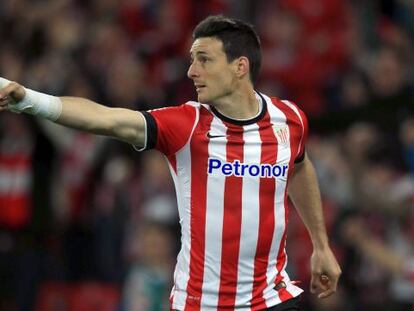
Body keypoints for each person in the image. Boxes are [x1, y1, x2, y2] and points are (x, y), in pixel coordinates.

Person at [0, 15, 341, 311]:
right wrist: (29, 100)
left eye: (204, 59)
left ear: (240, 66)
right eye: (192, 60)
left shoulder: (289, 119)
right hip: (201, 304)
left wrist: (321, 244)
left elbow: (298, 165)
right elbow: (107, 120)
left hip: (273, 299)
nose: (192, 71)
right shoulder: (185, 125)